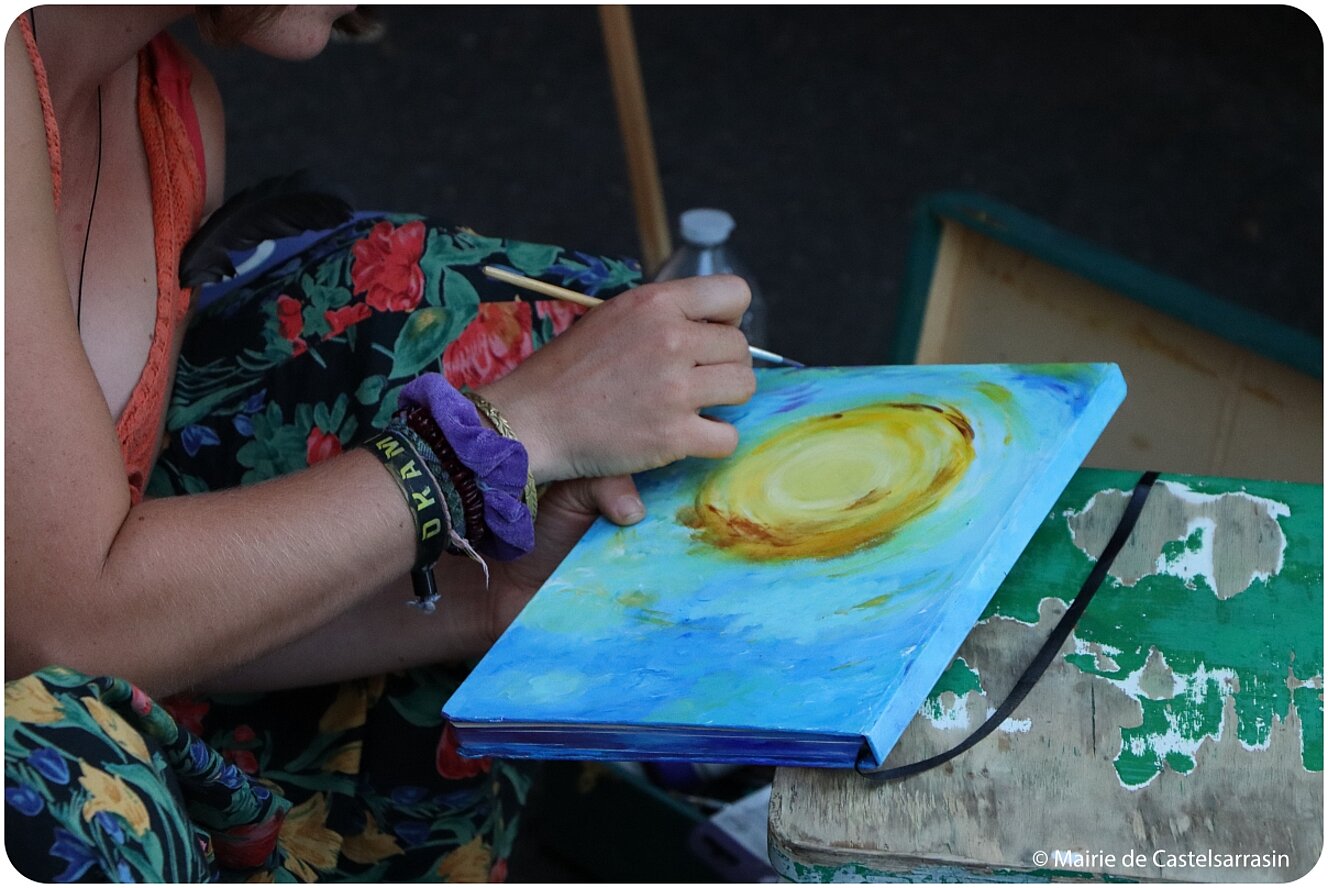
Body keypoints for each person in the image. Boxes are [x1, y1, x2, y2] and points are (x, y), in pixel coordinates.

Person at [4, 5, 755, 881]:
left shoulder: (169, 108)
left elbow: (136, 627)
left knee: (499, 338)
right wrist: (500, 435)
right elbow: (60, 645)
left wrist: (480, 595)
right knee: (67, 788)